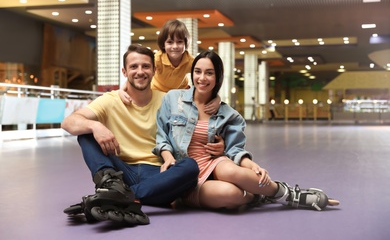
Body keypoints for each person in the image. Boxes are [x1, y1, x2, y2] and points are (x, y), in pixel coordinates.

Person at [153, 50, 340, 211]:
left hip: (213, 164)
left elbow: (235, 151)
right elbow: (162, 135)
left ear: (218, 77)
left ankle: (289, 195)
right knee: (231, 195)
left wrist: (251, 166)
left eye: (209, 73)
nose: (202, 78)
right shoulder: (173, 99)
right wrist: (168, 157)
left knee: (232, 172)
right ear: (192, 73)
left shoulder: (229, 114)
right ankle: (259, 195)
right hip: (185, 176)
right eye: (198, 72)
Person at [61, 45, 223, 225]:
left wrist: (217, 101)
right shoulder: (110, 100)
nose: (140, 72)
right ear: (124, 71)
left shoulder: (168, 99)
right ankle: (113, 188)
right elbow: (68, 123)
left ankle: (115, 197)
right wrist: (95, 125)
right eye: (133, 67)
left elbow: (200, 101)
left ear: (154, 70)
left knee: (190, 168)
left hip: (157, 173)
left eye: (146, 66)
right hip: (120, 171)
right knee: (86, 134)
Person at [119, 19, 220, 114]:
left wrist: (217, 99)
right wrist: (122, 90)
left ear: (186, 43)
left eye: (179, 42)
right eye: (170, 42)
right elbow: (138, 75)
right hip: (157, 92)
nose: (175, 46)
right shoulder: (157, 59)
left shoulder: (190, 61)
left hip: (179, 94)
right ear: (163, 44)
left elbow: (206, 80)